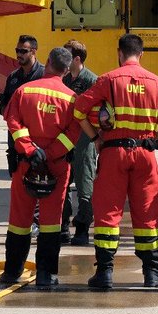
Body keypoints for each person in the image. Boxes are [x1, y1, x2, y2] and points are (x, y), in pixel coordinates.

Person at [73, 34, 158, 290]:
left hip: (114, 151)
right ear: (142, 54)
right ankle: (152, 273)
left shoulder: (108, 79)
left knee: (108, 211)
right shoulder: (157, 82)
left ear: (119, 53)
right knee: (148, 213)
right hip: (145, 154)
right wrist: (150, 136)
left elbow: (78, 110)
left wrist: (96, 137)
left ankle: (105, 272)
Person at [0, 47, 80, 288]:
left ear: (47, 62)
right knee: (51, 221)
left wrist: (29, 150)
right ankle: (46, 274)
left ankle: (12, 271)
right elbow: (73, 134)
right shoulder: (70, 98)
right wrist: (50, 154)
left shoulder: (25, 90)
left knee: (19, 220)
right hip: (56, 166)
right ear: (66, 70)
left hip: (26, 163)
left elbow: (12, 121)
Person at [61, 39, 98, 247]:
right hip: (67, 139)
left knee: (85, 186)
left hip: (85, 141)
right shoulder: (64, 79)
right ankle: (64, 226)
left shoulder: (92, 81)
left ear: (77, 59)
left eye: (68, 56)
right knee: (63, 185)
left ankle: (83, 228)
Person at [0, 35, 43, 176]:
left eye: (23, 51)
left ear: (34, 52)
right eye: (17, 50)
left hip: (38, 141)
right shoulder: (13, 77)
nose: (19, 54)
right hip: (16, 141)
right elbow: (4, 106)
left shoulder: (44, 76)